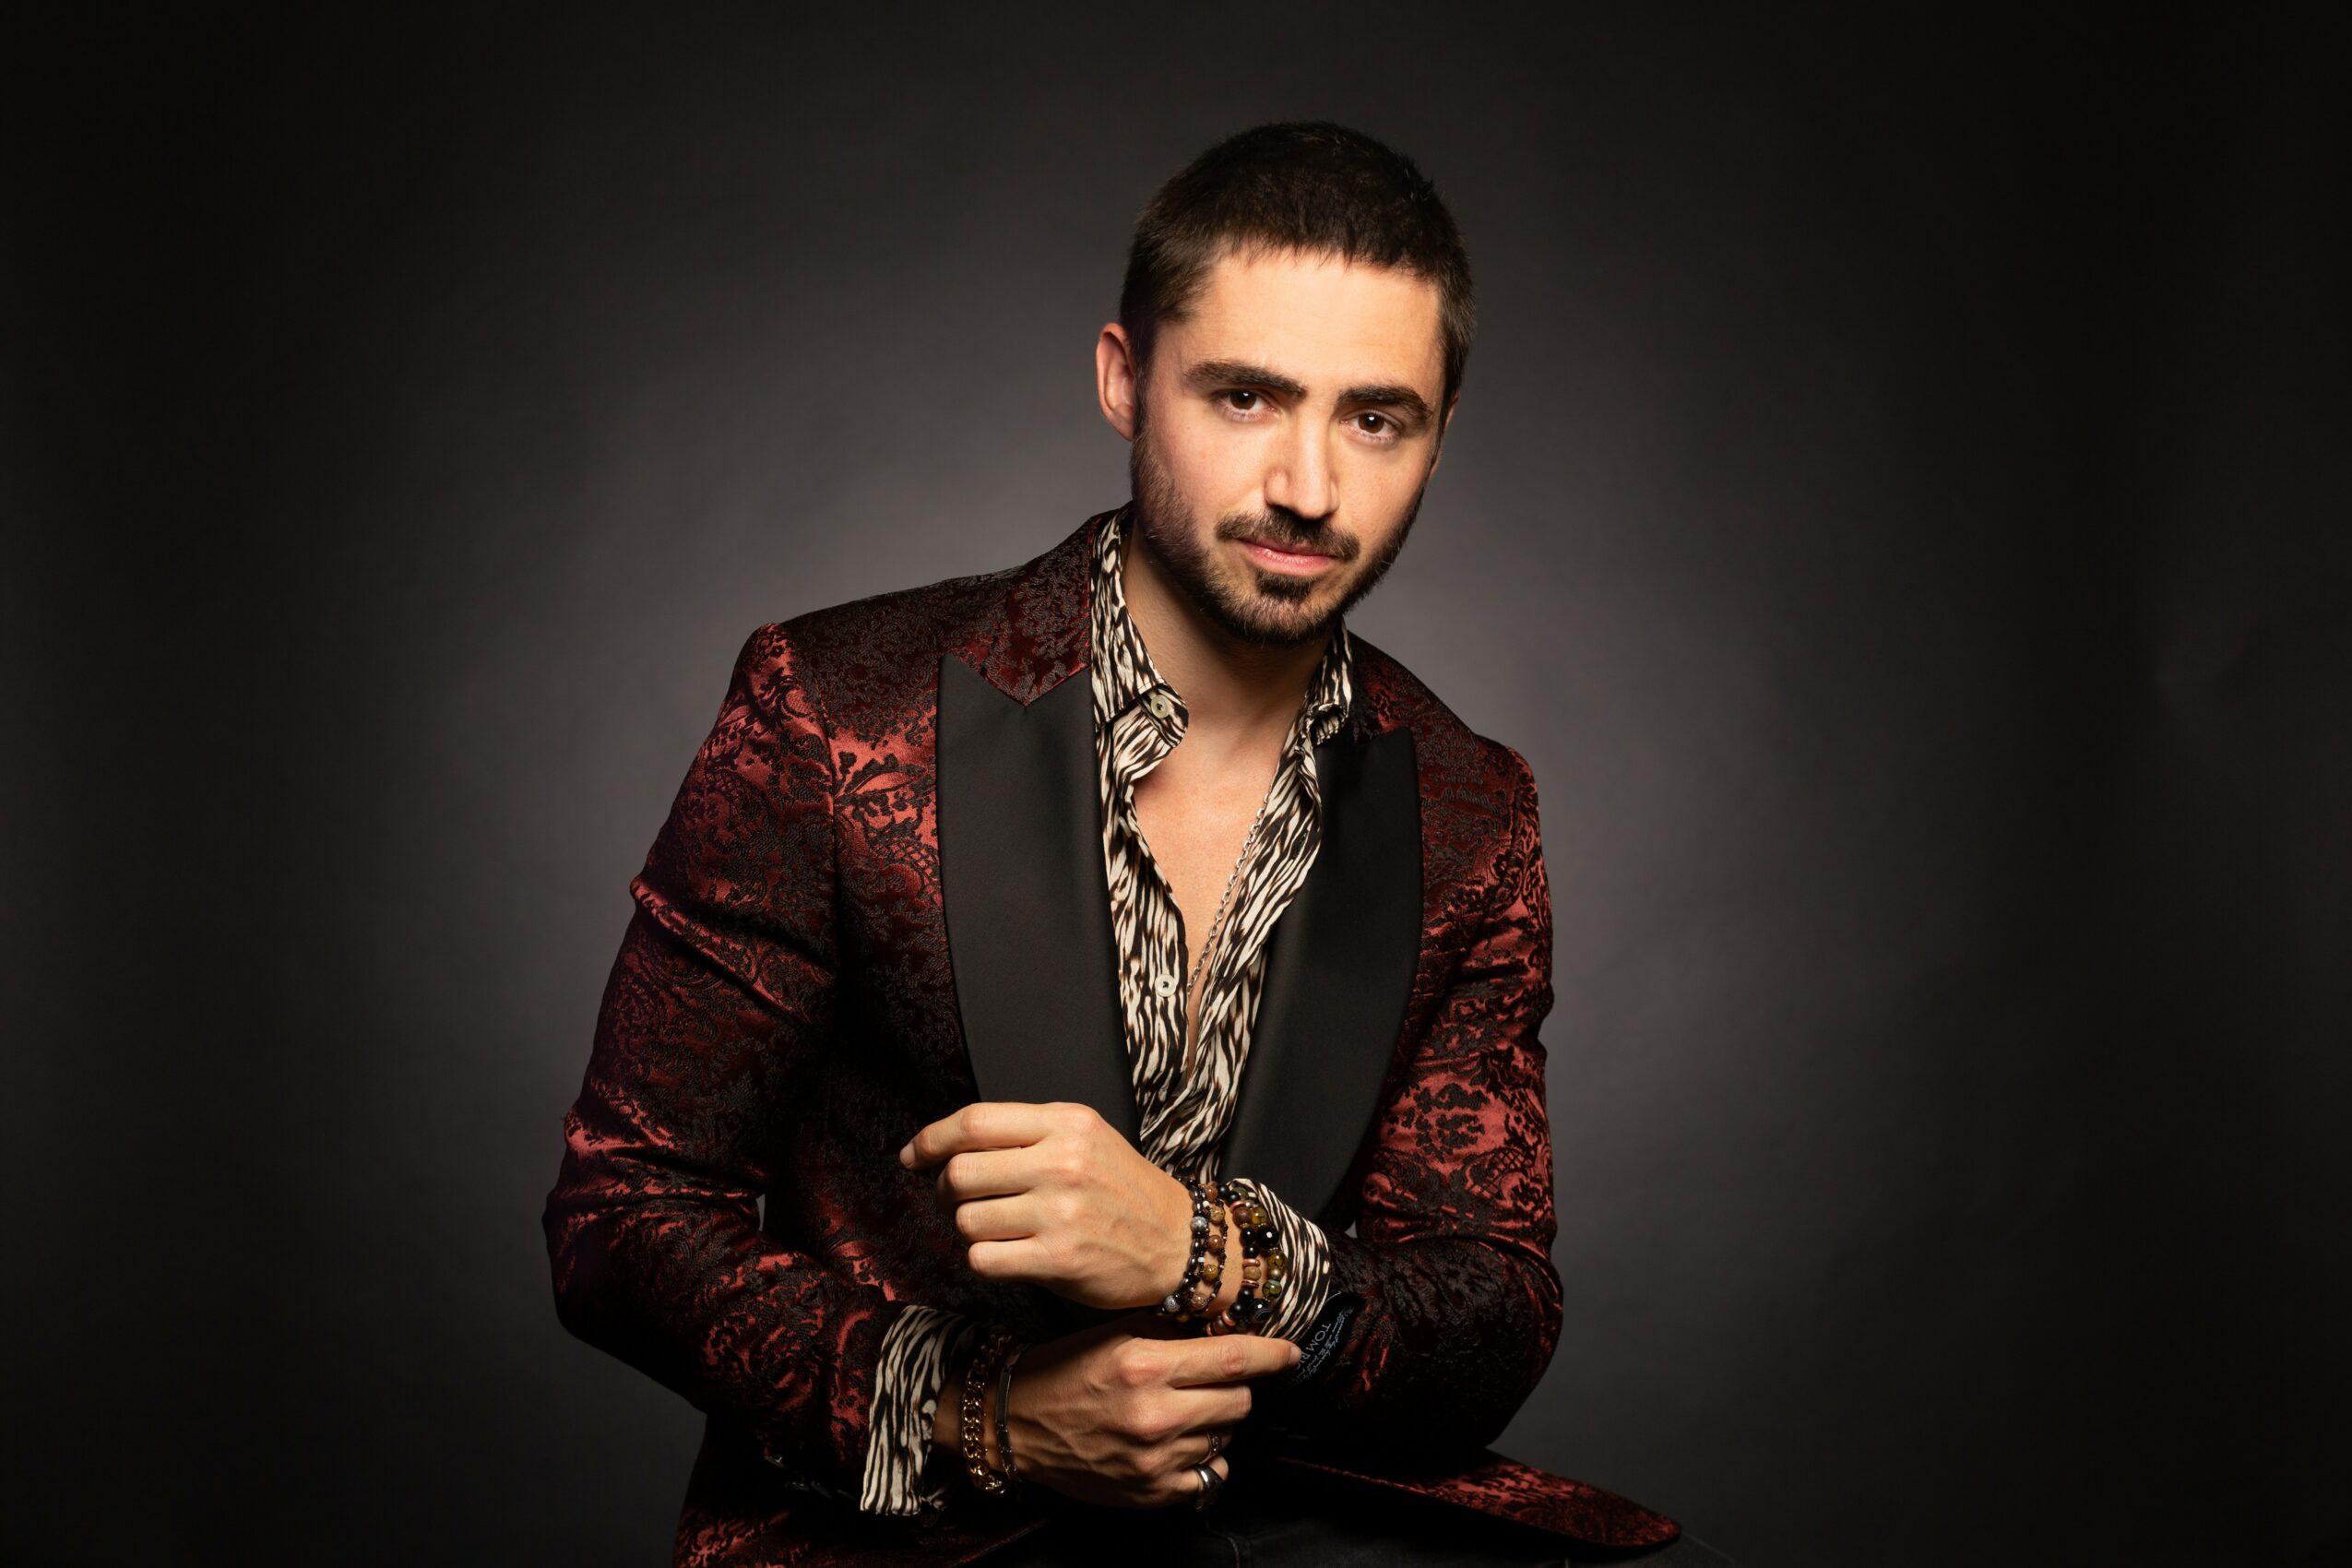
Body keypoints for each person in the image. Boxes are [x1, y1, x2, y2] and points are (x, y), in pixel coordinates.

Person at [541, 121, 1730, 1567]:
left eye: (1375, 418)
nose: (1307, 483)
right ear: (1125, 381)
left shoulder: (1473, 810)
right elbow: (626, 1210)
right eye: (1243, 397)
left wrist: (1198, 1251)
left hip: (1292, 1521)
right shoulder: (836, 713)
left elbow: (1488, 1306)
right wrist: (982, 1414)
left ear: (1439, 431)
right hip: (917, 1539)